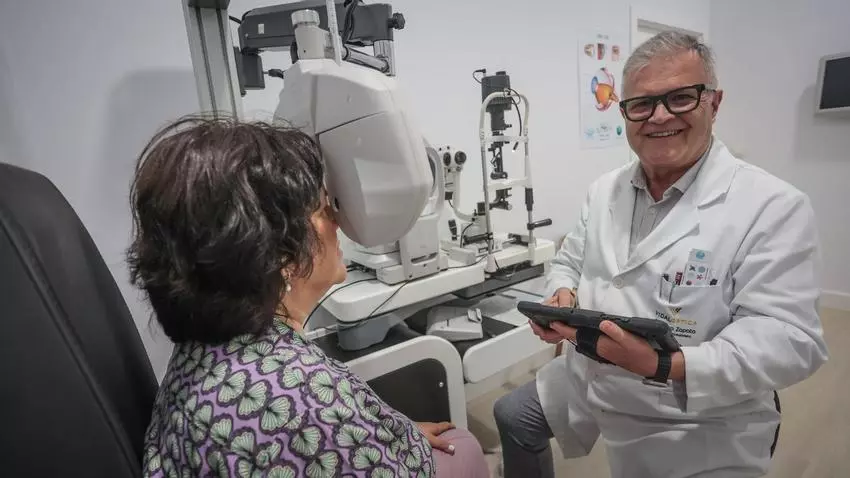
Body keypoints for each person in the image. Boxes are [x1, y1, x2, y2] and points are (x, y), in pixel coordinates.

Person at [494, 31, 828, 478]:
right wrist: (561, 295)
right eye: (642, 104)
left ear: (714, 102)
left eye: (681, 98)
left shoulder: (772, 206)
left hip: (692, 413)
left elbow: (791, 340)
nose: (659, 116)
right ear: (625, 113)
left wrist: (665, 363)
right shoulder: (604, 191)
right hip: (588, 375)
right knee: (512, 415)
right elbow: (569, 261)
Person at [129, 116, 490, 477]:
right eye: (322, 209)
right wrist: (369, 440)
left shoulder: (203, 354)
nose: (338, 219)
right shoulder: (300, 400)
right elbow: (318, 431)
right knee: (467, 446)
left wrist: (388, 437)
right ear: (278, 256)